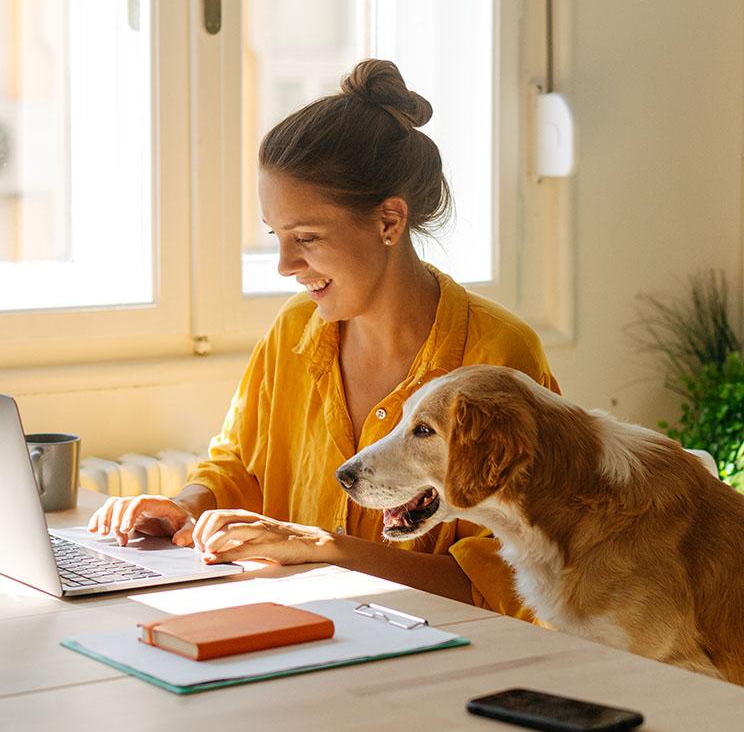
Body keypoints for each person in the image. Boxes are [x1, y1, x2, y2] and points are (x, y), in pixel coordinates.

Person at [88, 59, 559, 616]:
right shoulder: (294, 329)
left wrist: (326, 549)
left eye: (307, 237)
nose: (285, 265)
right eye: (276, 236)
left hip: (444, 649)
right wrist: (185, 506)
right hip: (297, 627)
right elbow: (240, 466)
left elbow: (505, 586)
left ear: (389, 222)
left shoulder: (497, 355)